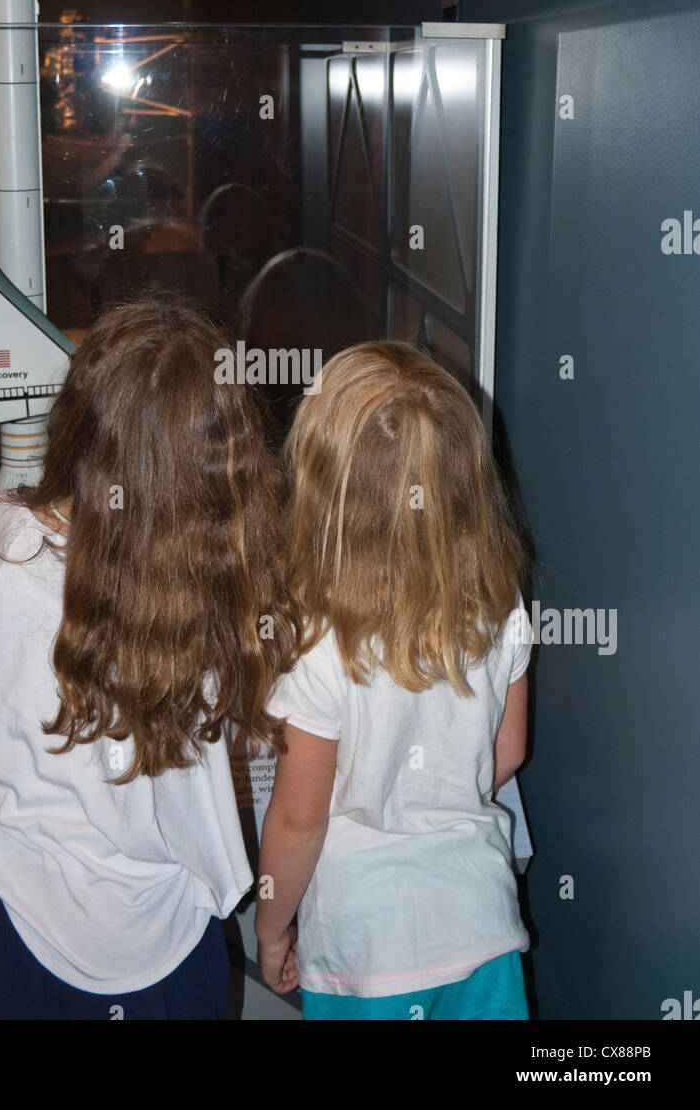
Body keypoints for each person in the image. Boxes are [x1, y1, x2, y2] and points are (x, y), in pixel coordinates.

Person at [0, 294, 296, 1019]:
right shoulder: (223, 588)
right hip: (166, 945)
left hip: (21, 934)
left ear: (81, 417)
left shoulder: (3, 538)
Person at [255, 341, 533, 1020]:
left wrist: (270, 931)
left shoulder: (317, 643)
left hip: (364, 953)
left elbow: (298, 820)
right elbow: (508, 753)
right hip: (482, 928)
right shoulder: (497, 603)